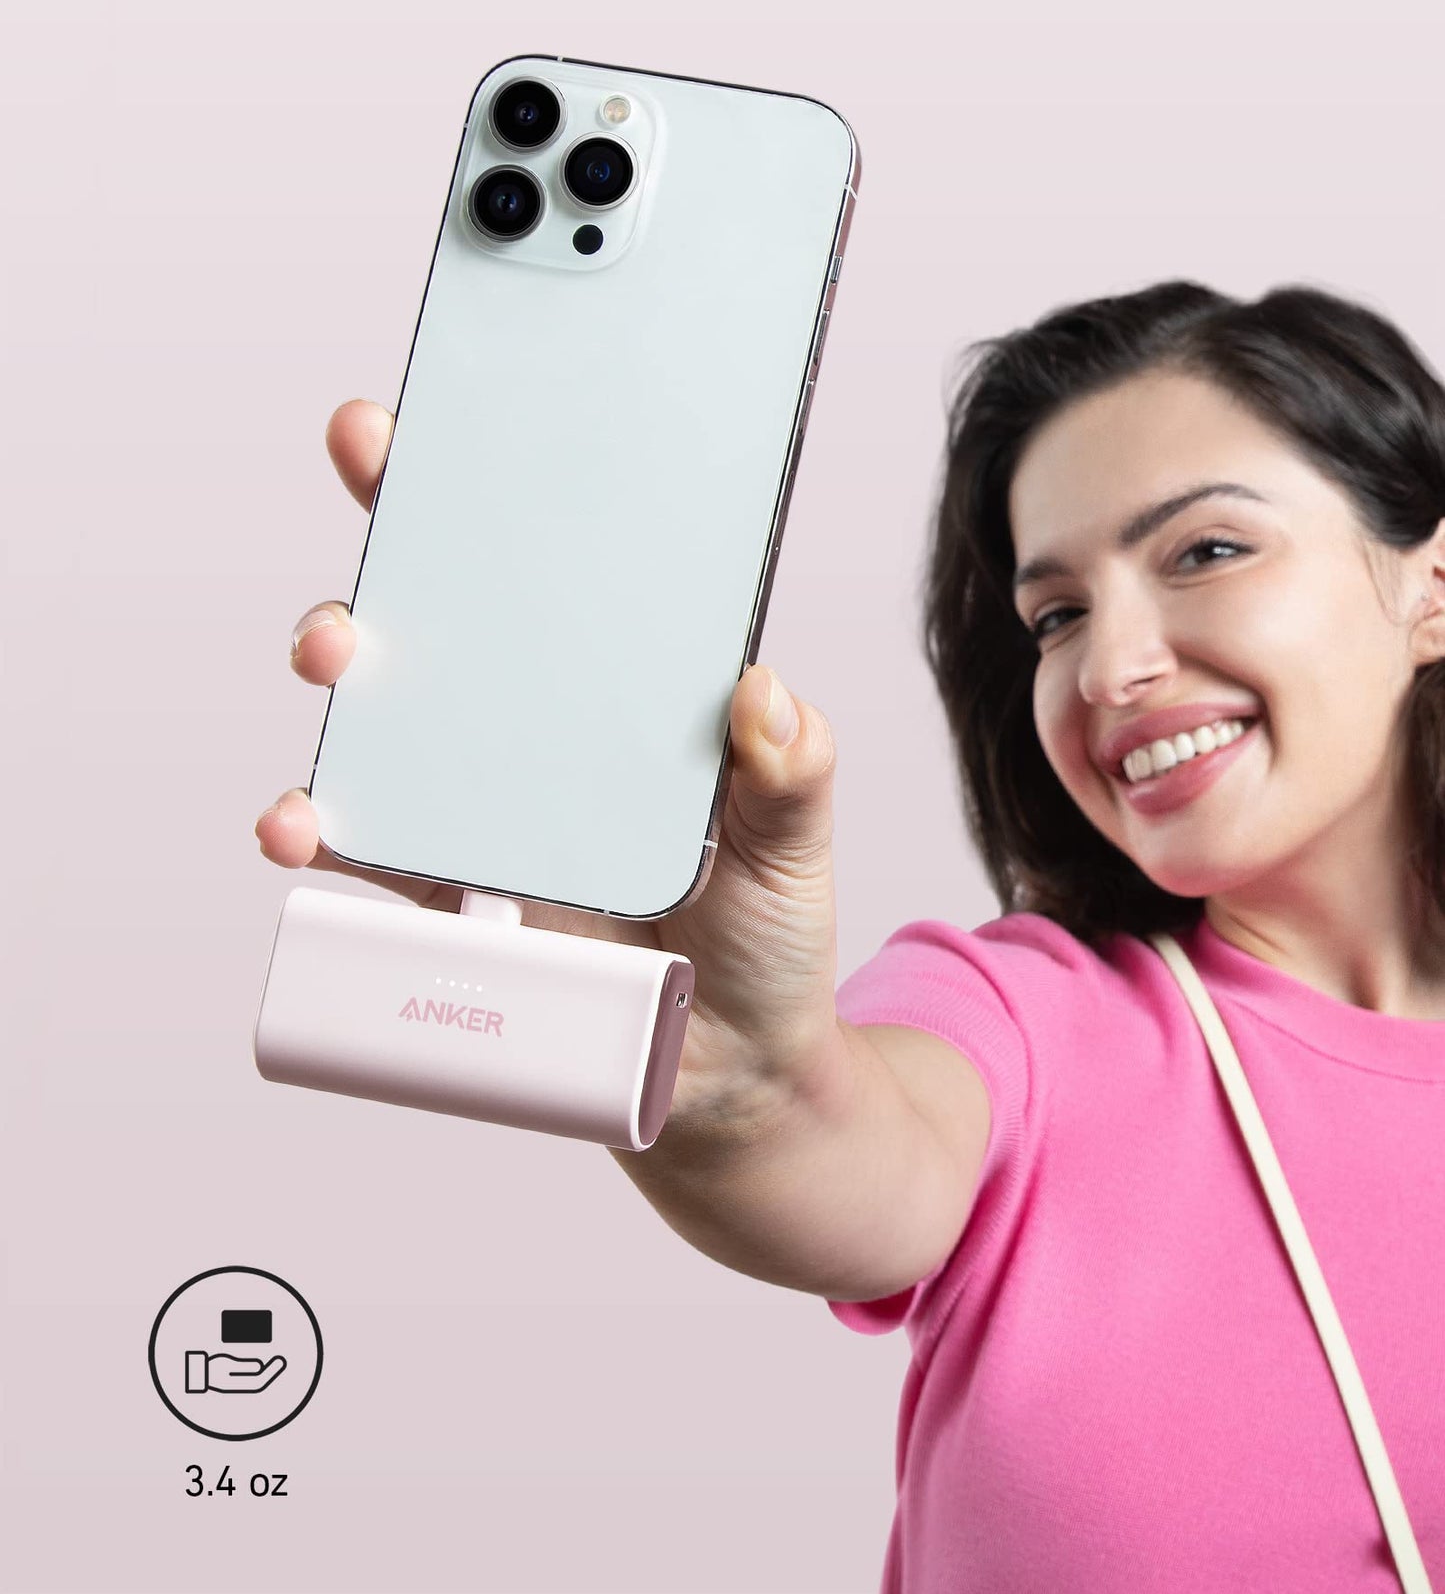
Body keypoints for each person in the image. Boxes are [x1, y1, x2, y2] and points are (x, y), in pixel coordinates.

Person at [256, 281, 1445, 1591]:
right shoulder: (1027, 1022)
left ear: (1430, 585)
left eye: (1203, 553)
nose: (1107, 671)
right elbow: (821, 1140)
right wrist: (724, 1071)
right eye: (1054, 615)